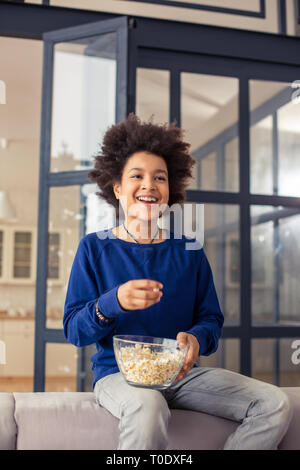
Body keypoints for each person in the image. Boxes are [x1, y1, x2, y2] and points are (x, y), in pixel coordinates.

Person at [63, 113, 293, 450]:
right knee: (148, 404)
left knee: (275, 404)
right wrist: (113, 302)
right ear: (117, 188)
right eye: (136, 176)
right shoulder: (94, 249)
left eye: (160, 177)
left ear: (170, 191)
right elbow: (74, 330)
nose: (149, 185)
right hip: (119, 376)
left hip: (182, 376)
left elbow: (211, 320)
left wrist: (197, 339)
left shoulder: (190, 251)